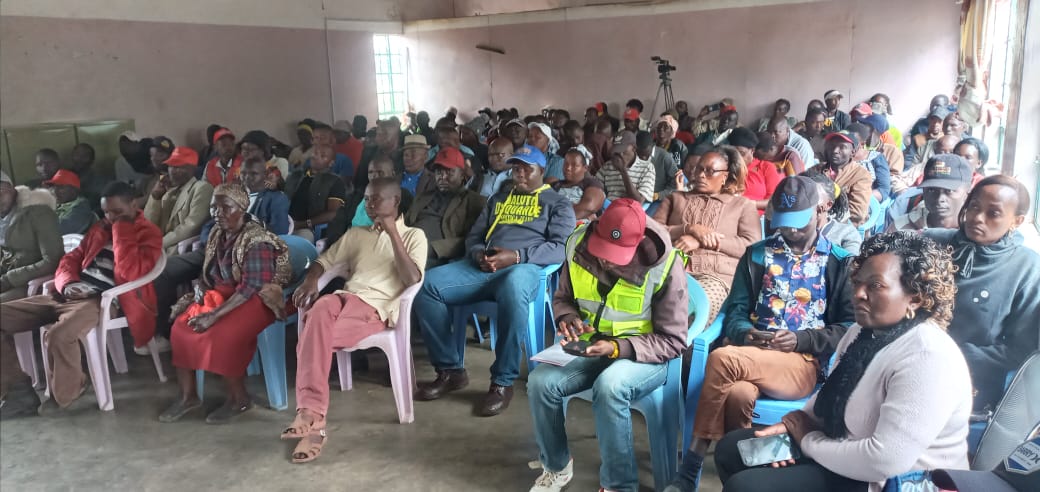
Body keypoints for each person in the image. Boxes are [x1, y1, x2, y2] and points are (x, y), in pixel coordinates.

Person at [708, 232, 972, 492]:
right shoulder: (862, 332)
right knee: (734, 450)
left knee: (747, 486)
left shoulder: (928, 356)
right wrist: (794, 425)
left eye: (875, 285)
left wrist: (808, 441)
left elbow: (883, 461)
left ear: (915, 296)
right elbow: (830, 396)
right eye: (857, 282)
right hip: (845, 450)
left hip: (895, 481)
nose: (858, 293)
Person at [667, 176, 855, 492]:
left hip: (801, 362)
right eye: (782, 223)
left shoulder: (837, 261)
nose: (789, 231)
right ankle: (741, 478)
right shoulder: (757, 255)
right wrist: (746, 334)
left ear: (818, 212)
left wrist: (801, 339)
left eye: (797, 223)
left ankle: (689, 470)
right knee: (738, 393)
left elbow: (848, 327)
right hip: (753, 352)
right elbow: (736, 312)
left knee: (723, 358)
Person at [527, 199, 689, 492]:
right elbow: (563, 297)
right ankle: (557, 466)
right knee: (540, 381)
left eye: (617, 255)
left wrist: (618, 349)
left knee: (611, 385)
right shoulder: (577, 244)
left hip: (644, 356)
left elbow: (673, 340)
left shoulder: (665, 265)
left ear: (638, 243)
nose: (606, 260)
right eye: (602, 251)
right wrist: (568, 317)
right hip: (590, 345)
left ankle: (618, 485)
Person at [414, 144, 576, 417]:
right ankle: (450, 370)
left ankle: (502, 381)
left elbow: (560, 247)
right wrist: (478, 255)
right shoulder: (499, 199)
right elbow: (475, 237)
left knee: (513, 287)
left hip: (523, 268)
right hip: (483, 266)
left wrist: (515, 256)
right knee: (428, 285)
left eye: (527, 169)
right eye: (516, 168)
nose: (520, 174)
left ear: (542, 171)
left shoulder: (558, 203)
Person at [280, 177, 426, 462]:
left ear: (395, 202)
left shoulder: (413, 236)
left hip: (375, 309)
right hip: (344, 300)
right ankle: (313, 416)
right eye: (367, 199)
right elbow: (324, 260)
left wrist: (393, 233)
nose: (370, 205)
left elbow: (411, 280)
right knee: (319, 308)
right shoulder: (357, 233)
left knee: (310, 337)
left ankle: (313, 419)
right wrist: (311, 280)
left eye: (377, 199)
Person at [0, 182, 162, 417]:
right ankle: (17, 390)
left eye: (117, 212)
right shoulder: (99, 228)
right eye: (106, 212)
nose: (110, 217)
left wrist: (121, 230)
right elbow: (69, 260)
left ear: (134, 205)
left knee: (59, 335)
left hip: (100, 300)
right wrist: (68, 284)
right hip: (68, 294)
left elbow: (130, 273)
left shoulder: (148, 233)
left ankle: (69, 390)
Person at [158, 184, 292, 424]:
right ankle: (189, 396)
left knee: (223, 334)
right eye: (214, 208)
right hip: (224, 295)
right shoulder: (218, 234)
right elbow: (209, 270)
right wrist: (200, 285)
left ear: (241, 209)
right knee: (181, 326)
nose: (218, 213)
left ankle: (239, 398)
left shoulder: (256, 240)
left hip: (257, 299)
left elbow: (250, 287)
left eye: (225, 207)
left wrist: (214, 316)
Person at [145, 157, 291, 356]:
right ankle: (163, 332)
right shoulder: (227, 192)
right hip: (213, 250)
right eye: (244, 173)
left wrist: (248, 227)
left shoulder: (275, 198)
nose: (248, 177)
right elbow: (209, 225)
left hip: (244, 254)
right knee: (164, 271)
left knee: (222, 284)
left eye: (254, 174)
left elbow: (279, 231)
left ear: (266, 175)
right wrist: (217, 238)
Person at [923, 175, 1040, 411]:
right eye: (974, 206)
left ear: (1016, 221)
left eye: (993, 213)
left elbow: (1021, 349)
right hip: (910, 363)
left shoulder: (1025, 268)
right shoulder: (931, 242)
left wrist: (955, 356)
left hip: (971, 384)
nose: (977, 217)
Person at [652, 147, 761, 324]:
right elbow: (653, 231)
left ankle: (670, 346)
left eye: (710, 171)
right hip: (668, 269)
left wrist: (703, 242)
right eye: (699, 169)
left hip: (714, 277)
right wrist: (689, 228)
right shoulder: (676, 198)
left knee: (690, 309)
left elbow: (751, 245)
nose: (702, 175)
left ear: (725, 176)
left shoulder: (741, 205)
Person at [404, 147, 485, 267]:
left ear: (462, 174)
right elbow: (405, 224)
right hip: (408, 247)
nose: (442, 177)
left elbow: (470, 240)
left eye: (449, 172)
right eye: (439, 172)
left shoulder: (474, 201)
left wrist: (434, 248)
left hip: (438, 256)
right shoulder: (422, 197)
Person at [0, 172, 63, 303]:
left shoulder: (38, 212)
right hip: (8, 279)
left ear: (12, 189)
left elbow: (52, 260)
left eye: (1, 191)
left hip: (33, 282)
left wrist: (9, 279)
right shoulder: (3, 214)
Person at [144, 147, 214, 255]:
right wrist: (155, 197)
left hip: (180, 249)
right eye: (171, 166)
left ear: (192, 169)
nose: (172, 171)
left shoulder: (202, 188)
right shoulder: (169, 192)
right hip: (162, 248)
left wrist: (159, 244)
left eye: (178, 167)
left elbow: (191, 227)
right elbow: (149, 225)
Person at [887, 155, 973, 232]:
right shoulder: (901, 228)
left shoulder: (975, 232)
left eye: (949, 191)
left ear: (967, 193)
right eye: (931, 190)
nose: (940, 199)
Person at [808, 132, 873, 226]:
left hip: (842, 225)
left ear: (853, 152)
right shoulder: (817, 169)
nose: (835, 150)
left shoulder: (861, 175)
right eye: (832, 145)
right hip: (812, 220)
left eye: (842, 147)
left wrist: (825, 219)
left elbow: (857, 213)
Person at [286, 144, 347, 243]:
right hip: (285, 223)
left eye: (323, 156)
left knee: (300, 242)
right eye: (315, 153)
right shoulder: (296, 176)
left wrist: (301, 224)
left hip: (307, 228)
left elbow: (333, 213)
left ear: (331, 163)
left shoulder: (334, 181)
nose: (315, 156)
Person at [803, 172, 861, 255]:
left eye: (813, 197)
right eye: (803, 196)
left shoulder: (846, 233)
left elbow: (849, 264)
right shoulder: (793, 230)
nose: (805, 202)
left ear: (828, 205)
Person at [597, 131, 656, 204]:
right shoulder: (608, 165)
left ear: (634, 148)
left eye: (623, 150)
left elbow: (638, 201)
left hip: (629, 209)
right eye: (617, 150)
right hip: (608, 207)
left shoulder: (647, 168)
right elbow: (596, 186)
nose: (619, 154)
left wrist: (623, 171)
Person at [551, 146, 605, 222]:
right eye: (566, 164)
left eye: (574, 165)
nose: (568, 168)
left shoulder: (592, 184)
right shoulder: (555, 185)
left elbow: (589, 207)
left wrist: (555, 213)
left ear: (585, 168)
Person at [354, 119, 402, 193]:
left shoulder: (404, 156)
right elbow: (360, 182)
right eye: (378, 134)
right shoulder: (368, 153)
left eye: (383, 134)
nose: (377, 138)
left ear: (395, 137)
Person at [846, 123, 892, 200]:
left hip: (867, 201)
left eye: (852, 142)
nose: (847, 144)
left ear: (862, 143)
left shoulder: (876, 158)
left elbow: (883, 190)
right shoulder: (841, 156)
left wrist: (858, 198)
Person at [742, 133, 785, 213]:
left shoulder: (767, 167)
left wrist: (749, 204)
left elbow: (773, 202)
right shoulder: (729, 166)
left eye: (742, 153)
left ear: (752, 151)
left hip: (755, 215)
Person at [45, 169, 97, 235]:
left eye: (61, 187)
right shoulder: (54, 205)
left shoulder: (82, 208)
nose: (55, 191)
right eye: (53, 187)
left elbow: (63, 229)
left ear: (74, 190)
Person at [636, 130, 678, 203]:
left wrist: (659, 195)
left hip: (657, 200)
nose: (643, 158)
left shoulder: (665, 157)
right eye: (640, 155)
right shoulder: (635, 153)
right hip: (638, 196)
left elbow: (675, 184)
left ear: (653, 145)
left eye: (645, 155)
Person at [68, 143, 106, 211]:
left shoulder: (100, 181)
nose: (79, 159)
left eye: (85, 156)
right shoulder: (63, 177)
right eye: (77, 155)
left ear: (92, 160)